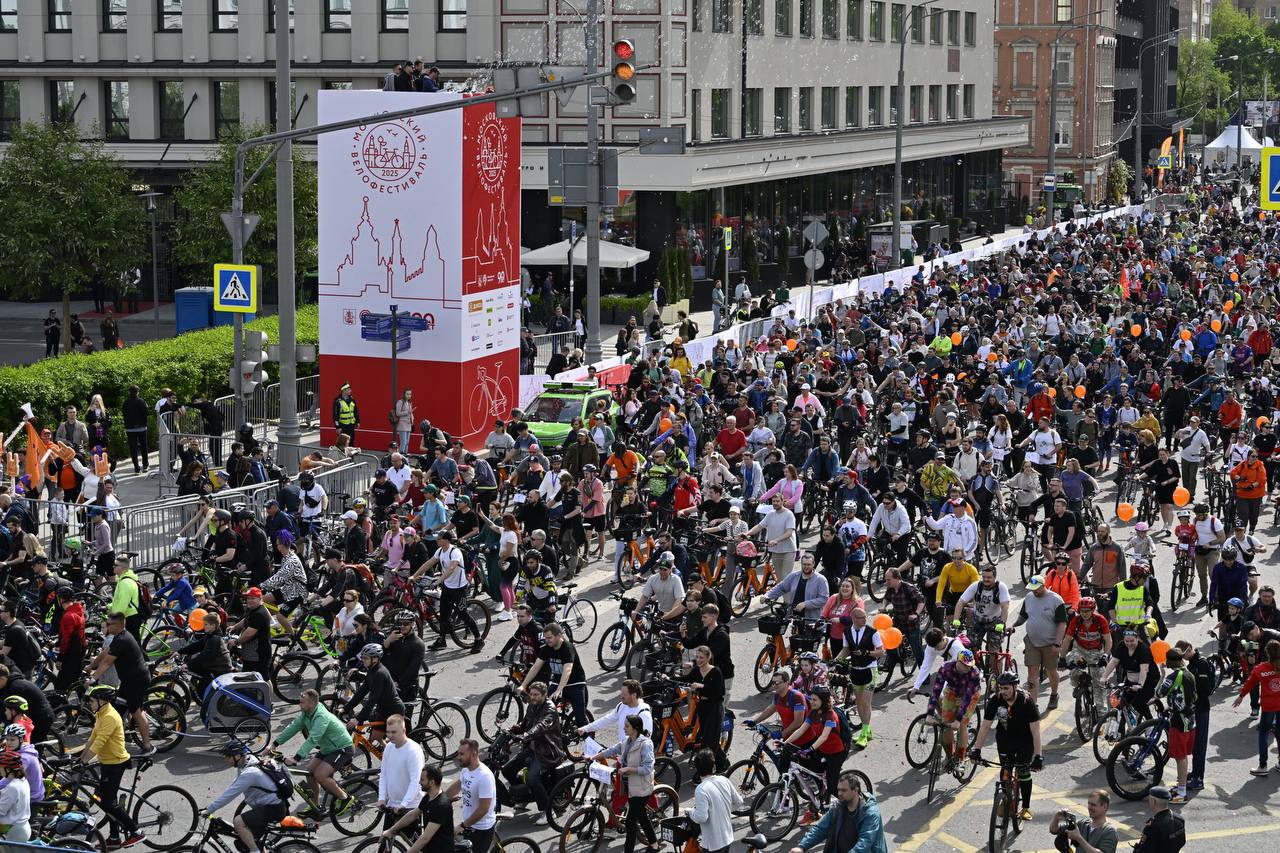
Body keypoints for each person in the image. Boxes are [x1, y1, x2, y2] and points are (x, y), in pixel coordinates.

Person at [970, 671, 1044, 821]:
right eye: (1000, 688)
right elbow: (985, 726)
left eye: (1006, 688)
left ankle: (1025, 807)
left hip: (1025, 740)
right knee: (1005, 770)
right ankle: (1005, 799)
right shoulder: (995, 700)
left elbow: (1036, 731)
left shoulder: (1026, 701)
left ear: (1015, 686)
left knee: (1023, 772)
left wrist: (1038, 756)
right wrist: (976, 749)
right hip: (1005, 738)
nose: (1002, 692)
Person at [79, 685, 143, 848]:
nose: (90, 704)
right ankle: (114, 838)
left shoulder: (110, 717)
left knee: (108, 802)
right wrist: (80, 758)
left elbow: (100, 743)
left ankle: (136, 832)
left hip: (116, 763)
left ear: (103, 701)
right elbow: (92, 739)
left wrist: (85, 761)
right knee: (103, 800)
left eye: (93, 701)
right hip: (107, 762)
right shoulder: (101, 714)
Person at [271, 688, 353, 814]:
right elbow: (292, 727)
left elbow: (313, 739)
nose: (300, 704)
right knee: (309, 772)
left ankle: (345, 798)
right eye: (300, 701)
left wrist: (296, 758)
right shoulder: (307, 713)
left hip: (341, 748)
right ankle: (315, 805)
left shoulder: (321, 716)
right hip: (328, 749)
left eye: (302, 702)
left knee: (320, 775)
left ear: (312, 704)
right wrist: (274, 744)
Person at [204, 740, 288, 853]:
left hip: (273, 809)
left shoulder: (250, 773)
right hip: (274, 805)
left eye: (228, 756)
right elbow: (235, 784)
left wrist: (209, 809)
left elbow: (230, 794)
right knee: (250, 841)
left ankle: (255, 852)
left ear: (238, 756)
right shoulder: (250, 761)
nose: (226, 759)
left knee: (238, 822)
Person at [86, 613, 152, 755]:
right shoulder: (118, 637)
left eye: (110, 624)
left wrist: (93, 678)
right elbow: (105, 653)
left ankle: (148, 746)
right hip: (128, 680)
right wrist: (91, 665)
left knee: (136, 711)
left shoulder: (123, 639)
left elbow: (107, 662)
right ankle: (117, 740)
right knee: (116, 709)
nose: (107, 626)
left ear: (119, 625)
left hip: (137, 681)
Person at [500, 681, 564, 825]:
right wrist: (513, 730)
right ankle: (524, 797)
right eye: (531, 694)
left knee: (531, 778)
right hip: (532, 747)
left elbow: (541, 726)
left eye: (536, 695)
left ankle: (547, 811)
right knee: (507, 770)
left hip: (546, 751)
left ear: (544, 695)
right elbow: (525, 724)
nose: (533, 697)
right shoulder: (532, 706)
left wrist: (525, 735)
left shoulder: (550, 710)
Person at [596, 713, 658, 852]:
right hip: (631, 787)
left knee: (630, 822)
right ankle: (654, 844)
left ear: (635, 728)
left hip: (641, 789)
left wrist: (629, 769)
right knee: (641, 817)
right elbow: (611, 750)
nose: (623, 728)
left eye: (626, 726)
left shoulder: (645, 744)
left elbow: (648, 768)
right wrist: (592, 757)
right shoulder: (627, 742)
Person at [789, 770, 889, 853]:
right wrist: (802, 846)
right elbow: (820, 829)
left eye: (844, 790)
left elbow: (865, 843)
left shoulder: (870, 814)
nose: (839, 794)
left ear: (855, 790)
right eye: (838, 790)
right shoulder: (838, 807)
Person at [519, 622, 589, 726]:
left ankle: (589, 740)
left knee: (580, 720)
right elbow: (536, 667)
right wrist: (523, 685)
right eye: (546, 638)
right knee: (541, 707)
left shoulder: (568, 648)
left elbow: (567, 670)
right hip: (557, 682)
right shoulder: (548, 648)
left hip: (575, 683)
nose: (547, 640)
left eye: (549, 638)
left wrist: (559, 690)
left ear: (559, 635)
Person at [1014, 574, 1068, 710]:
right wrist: (1013, 625)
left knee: (1051, 671)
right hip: (1032, 642)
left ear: (1043, 586)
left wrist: (1057, 644)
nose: (1034, 591)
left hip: (1050, 643)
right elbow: (1023, 617)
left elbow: (1062, 624)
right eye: (1031, 589)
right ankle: (1033, 705)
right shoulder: (1029, 597)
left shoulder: (1056, 600)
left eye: (1036, 589)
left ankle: (1054, 694)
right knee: (1032, 673)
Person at [833, 607, 883, 745]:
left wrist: (866, 653)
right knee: (859, 703)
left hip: (869, 670)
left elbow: (881, 652)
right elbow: (845, 649)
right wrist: (836, 660)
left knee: (866, 703)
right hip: (855, 670)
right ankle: (867, 730)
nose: (865, 620)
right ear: (854, 618)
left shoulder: (872, 632)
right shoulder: (847, 631)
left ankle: (863, 735)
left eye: (865, 617)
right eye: (861, 618)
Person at [1172, 638, 1214, 792]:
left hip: (1201, 709)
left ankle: (1198, 778)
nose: (1183, 658)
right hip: (1194, 709)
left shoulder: (1201, 664)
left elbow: (1206, 689)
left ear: (1190, 648)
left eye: (1184, 654)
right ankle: (1195, 773)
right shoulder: (1191, 665)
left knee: (1200, 745)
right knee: (1195, 743)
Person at [1235, 637, 1280, 776]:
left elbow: (1250, 683)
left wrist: (1241, 696)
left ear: (1267, 653)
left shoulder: (1260, 669)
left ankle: (1263, 766)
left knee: (1264, 734)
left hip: (1268, 707)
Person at [1158, 648, 1197, 803]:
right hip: (1190, 719)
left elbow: (1159, 693)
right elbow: (1194, 696)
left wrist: (1162, 675)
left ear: (1168, 662)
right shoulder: (1189, 674)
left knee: (1180, 758)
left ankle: (1181, 793)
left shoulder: (1173, 677)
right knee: (1184, 756)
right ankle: (1181, 786)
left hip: (1179, 722)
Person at [688, 749, 743, 853]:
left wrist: (690, 812)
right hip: (728, 837)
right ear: (713, 767)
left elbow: (701, 817)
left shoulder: (701, 789)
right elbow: (739, 801)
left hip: (712, 844)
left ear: (697, 769)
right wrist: (723, 810)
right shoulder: (724, 780)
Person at [447, 739, 496, 853]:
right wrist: (441, 798)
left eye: (462, 754)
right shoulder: (466, 769)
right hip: (469, 825)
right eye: (458, 753)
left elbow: (484, 808)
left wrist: (463, 826)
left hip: (481, 829)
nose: (458, 757)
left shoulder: (484, 777)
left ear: (474, 754)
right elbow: (457, 785)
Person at [378, 715, 426, 830]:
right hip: (392, 805)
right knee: (385, 842)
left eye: (393, 732)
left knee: (415, 846)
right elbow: (383, 774)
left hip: (410, 807)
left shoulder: (413, 751)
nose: (389, 736)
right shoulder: (389, 747)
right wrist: (381, 798)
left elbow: (416, 781)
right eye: (388, 732)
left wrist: (403, 804)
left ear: (404, 730)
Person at [688, 645, 729, 775]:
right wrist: (668, 678)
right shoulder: (696, 671)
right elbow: (685, 680)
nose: (699, 660)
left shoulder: (715, 671)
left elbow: (719, 692)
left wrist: (701, 686)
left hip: (714, 708)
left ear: (708, 657)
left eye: (701, 657)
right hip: (703, 707)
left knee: (707, 742)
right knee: (709, 737)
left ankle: (703, 772)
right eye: (697, 657)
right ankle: (723, 763)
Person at [1049, 789, 1118, 853]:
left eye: (1093, 805)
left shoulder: (1109, 831)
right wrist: (1056, 818)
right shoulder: (1083, 823)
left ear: (1105, 807)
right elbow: (1054, 830)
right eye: (1089, 804)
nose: (1089, 808)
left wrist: (1078, 838)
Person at [1131, 786, 1185, 853]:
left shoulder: (1152, 827)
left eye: (1149, 799)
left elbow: (1144, 850)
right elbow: (1182, 842)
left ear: (1153, 802)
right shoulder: (1180, 820)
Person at [0, 748, 30, 841]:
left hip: (14, 832)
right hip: (22, 827)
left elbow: (1, 811)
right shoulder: (23, 780)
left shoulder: (12, 787)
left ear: (7, 769)